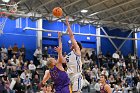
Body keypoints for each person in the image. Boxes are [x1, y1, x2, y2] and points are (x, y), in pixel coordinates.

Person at [65, 16, 83, 93]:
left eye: (74, 44)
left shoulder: (77, 51)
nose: (72, 44)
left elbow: (71, 36)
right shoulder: (68, 55)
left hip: (76, 76)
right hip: (69, 76)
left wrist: (67, 24)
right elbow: (62, 60)